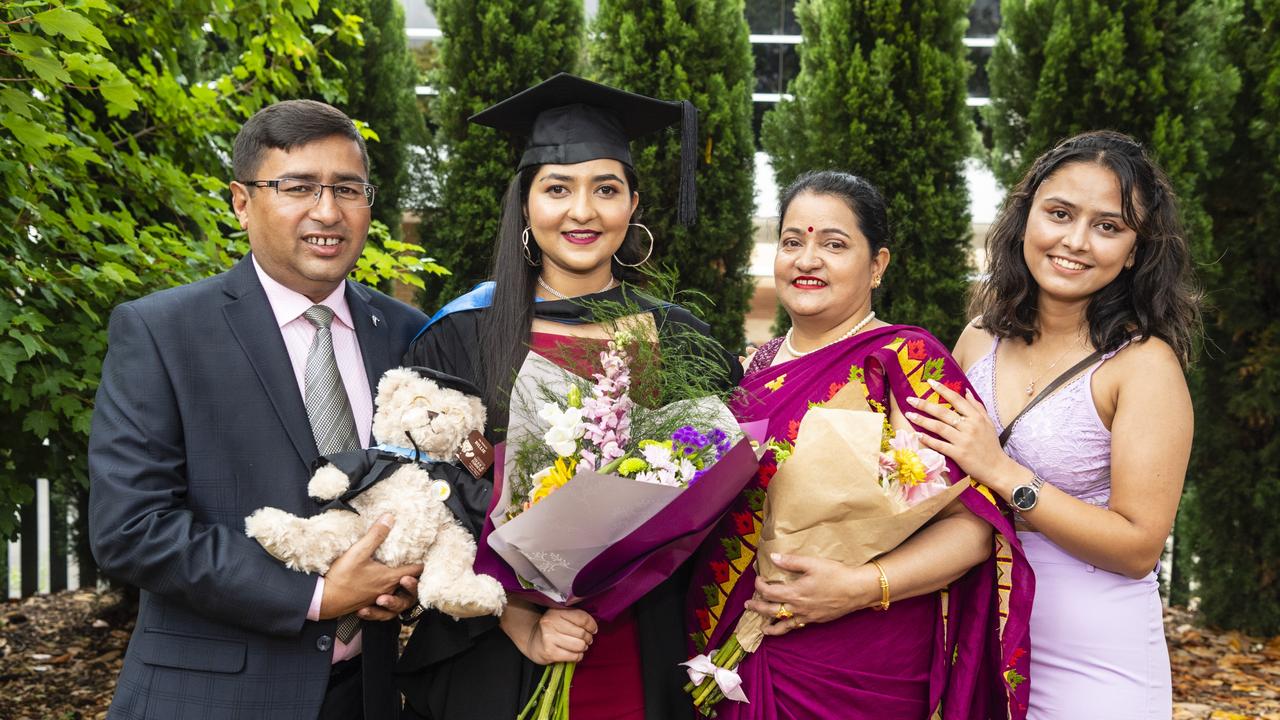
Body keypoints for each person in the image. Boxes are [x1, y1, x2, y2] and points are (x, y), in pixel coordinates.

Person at [396, 73, 741, 720]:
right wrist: (518, 612)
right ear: (525, 203)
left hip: (648, 638)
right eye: (557, 188)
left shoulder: (682, 339)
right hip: (498, 651)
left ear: (634, 203)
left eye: (606, 189)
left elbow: (719, 489)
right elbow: (424, 496)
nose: (582, 211)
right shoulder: (463, 334)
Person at [88, 99, 428, 720]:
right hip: (212, 697)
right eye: (297, 187)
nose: (327, 211)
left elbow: (426, 492)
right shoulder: (163, 332)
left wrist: (405, 580)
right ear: (242, 203)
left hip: (369, 695)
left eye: (348, 189)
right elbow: (130, 530)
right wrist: (317, 594)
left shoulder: (406, 333)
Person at [688, 170, 1034, 719]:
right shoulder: (751, 370)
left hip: (863, 662)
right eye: (793, 241)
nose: (807, 259)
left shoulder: (902, 364)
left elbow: (968, 527)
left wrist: (859, 585)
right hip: (747, 651)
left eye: (834, 244)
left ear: (877, 266)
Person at [911, 130, 1197, 718]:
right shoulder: (979, 340)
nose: (1075, 241)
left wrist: (1000, 469)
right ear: (1026, 218)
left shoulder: (1144, 367)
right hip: (977, 632)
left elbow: (1139, 546)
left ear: (1137, 249)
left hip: (1094, 659)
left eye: (1108, 226)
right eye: (1059, 213)